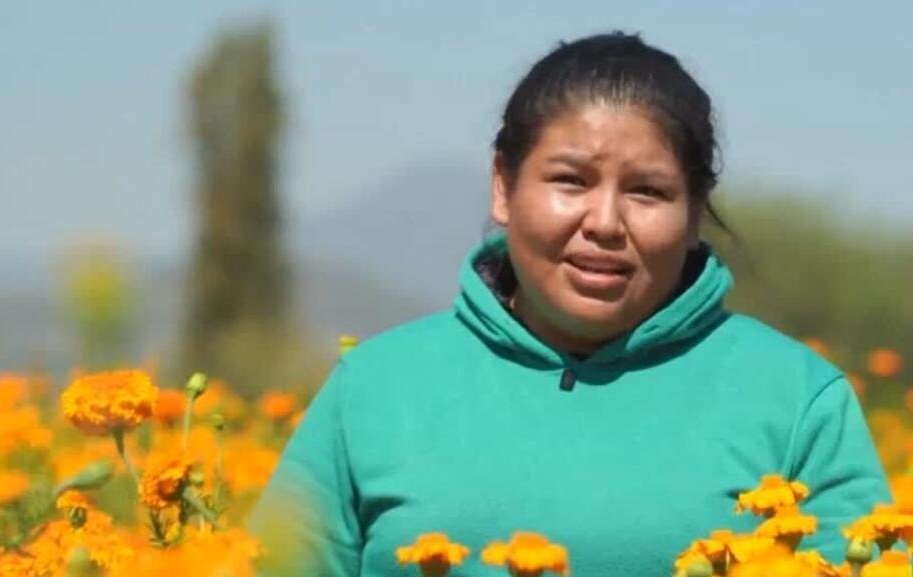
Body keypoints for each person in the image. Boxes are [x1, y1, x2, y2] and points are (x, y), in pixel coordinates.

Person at [245, 31, 891, 576]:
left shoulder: (796, 398)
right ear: (504, 186)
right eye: (569, 180)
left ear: (694, 212)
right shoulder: (377, 389)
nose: (605, 221)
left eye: (647, 191)